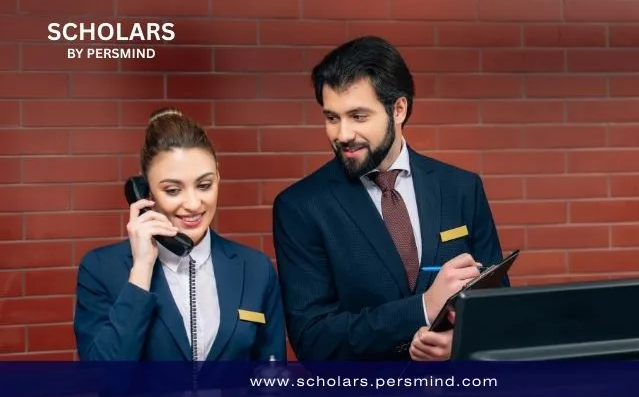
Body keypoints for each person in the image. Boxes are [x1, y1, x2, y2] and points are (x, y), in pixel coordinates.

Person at [272, 35, 508, 362]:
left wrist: (461, 342)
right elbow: (314, 338)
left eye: (358, 116)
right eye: (331, 117)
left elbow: (498, 305)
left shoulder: (462, 188)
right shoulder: (301, 207)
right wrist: (423, 308)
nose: (342, 134)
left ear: (398, 109)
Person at [74, 108, 287, 363]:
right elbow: (103, 380)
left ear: (218, 175)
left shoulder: (256, 268)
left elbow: (273, 377)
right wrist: (141, 268)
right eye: (173, 190)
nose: (193, 204)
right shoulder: (100, 269)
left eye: (204, 185)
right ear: (146, 193)